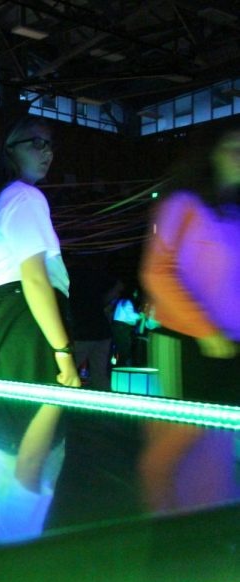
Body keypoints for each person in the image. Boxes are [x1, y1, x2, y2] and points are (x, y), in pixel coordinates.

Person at [0, 116, 76, 516]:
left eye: (50, 146)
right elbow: (36, 281)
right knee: (32, 465)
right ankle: (22, 552)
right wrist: (64, 354)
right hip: (26, 331)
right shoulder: (25, 197)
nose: (47, 153)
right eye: (35, 144)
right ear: (8, 151)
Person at [138, 129, 240, 511]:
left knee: (218, 439)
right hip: (186, 342)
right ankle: (166, 524)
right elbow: (157, 272)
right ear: (211, 153)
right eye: (232, 146)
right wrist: (205, 330)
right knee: (178, 439)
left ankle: (209, 521)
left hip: (229, 345)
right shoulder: (183, 204)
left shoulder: (233, 212)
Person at [111, 289, 141, 366]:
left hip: (118, 326)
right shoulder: (127, 302)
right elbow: (130, 316)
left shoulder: (121, 301)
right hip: (122, 327)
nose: (136, 295)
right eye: (135, 293)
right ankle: (121, 366)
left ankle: (116, 365)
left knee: (119, 348)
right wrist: (140, 315)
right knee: (124, 348)